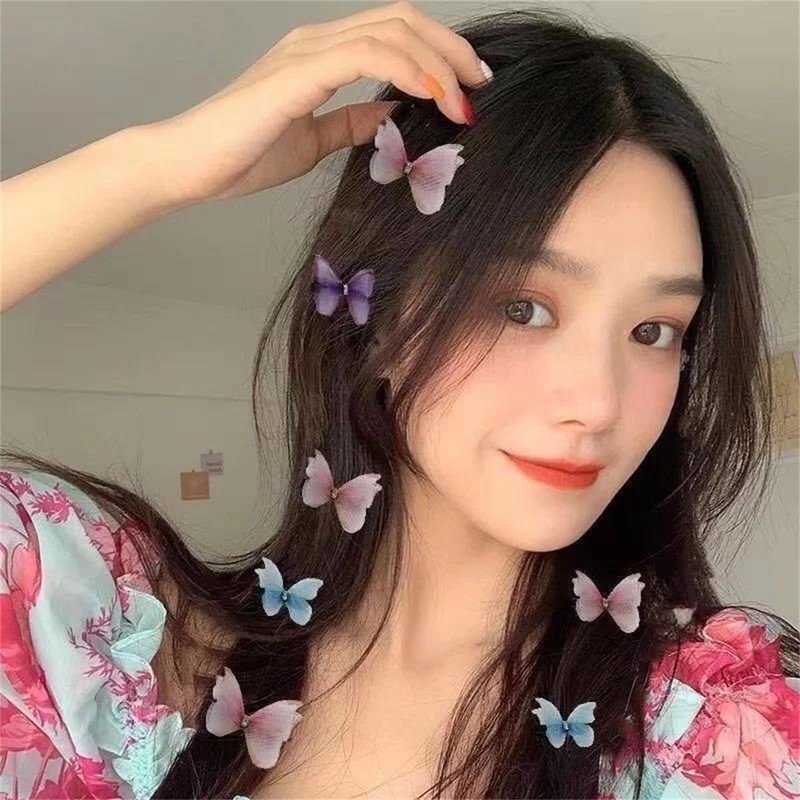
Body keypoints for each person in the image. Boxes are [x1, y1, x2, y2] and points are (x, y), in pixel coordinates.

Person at [1, 2, 798, 799]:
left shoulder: (716, 742)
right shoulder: (122, 654)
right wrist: (157, 166)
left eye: (654, 330)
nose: (598, 404)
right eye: (523, 308)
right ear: (378, 318)